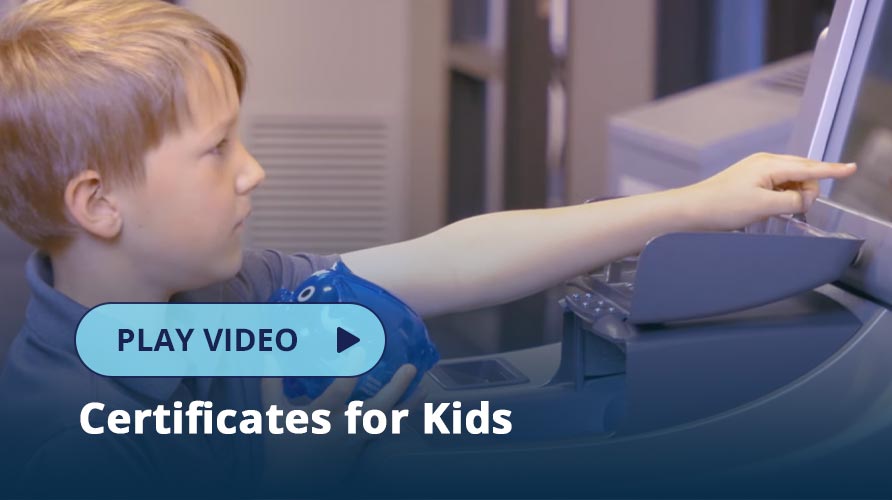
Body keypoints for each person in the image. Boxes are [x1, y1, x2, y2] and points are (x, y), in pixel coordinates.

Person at [0, 0, 856, 497]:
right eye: (217, 149)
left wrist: (691, 205)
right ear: (98, 204)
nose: (252, 171)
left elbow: (449, 260)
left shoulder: (221, 301)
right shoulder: (66, 443)